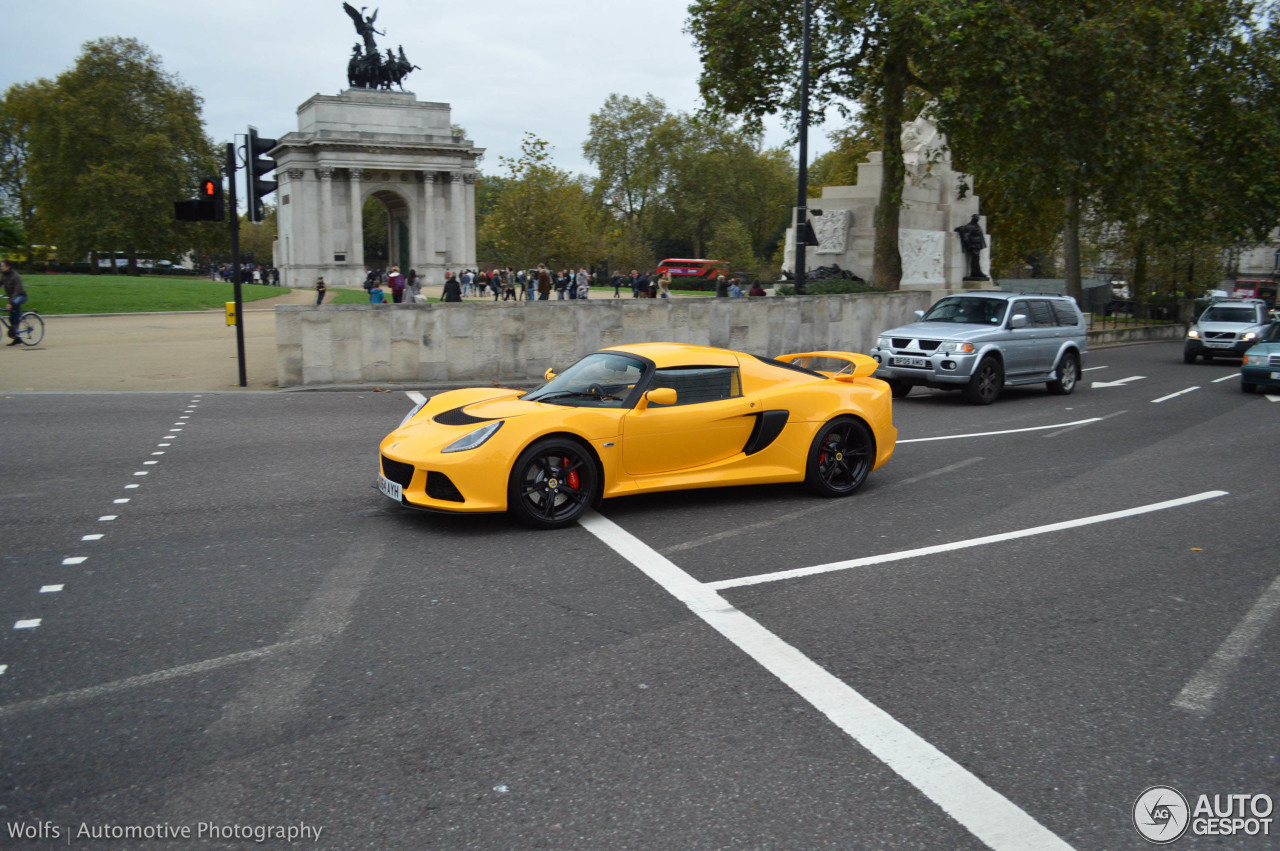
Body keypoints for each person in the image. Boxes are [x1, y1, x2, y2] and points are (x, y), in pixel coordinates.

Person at [2, 260, 27, 345]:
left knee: (15, 304)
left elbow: (17, 291)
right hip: (12, 297)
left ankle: (15, 327)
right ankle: (17, 338)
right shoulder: (4, 275)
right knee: (11, 318)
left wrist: (10, 302)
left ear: (8, 267)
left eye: (2, 266)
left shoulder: (16, 276)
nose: (1, 267)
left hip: (20, 296)